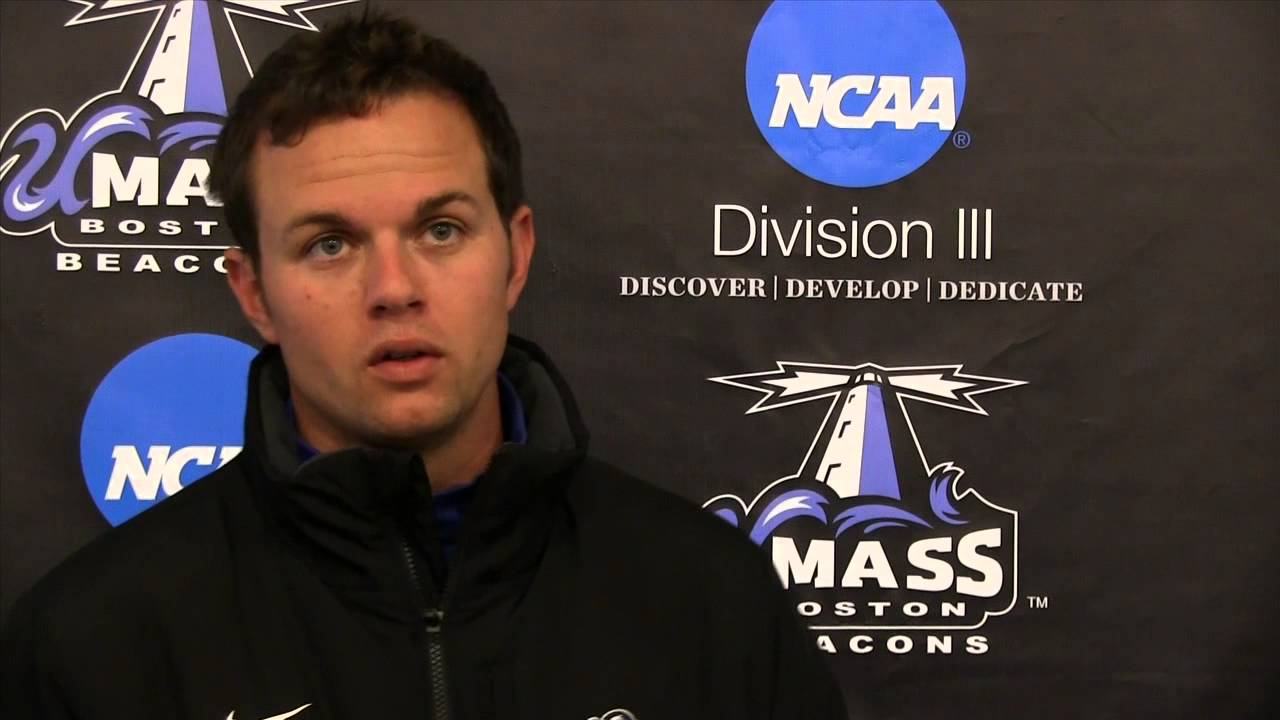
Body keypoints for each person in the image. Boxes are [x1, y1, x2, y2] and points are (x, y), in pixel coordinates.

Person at [1, 10, 847, 720]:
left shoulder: (712, 603)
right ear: (254, 293)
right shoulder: (95, 644)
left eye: (440, 230)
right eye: (329, 244)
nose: (394, 288)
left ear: (514, 257)